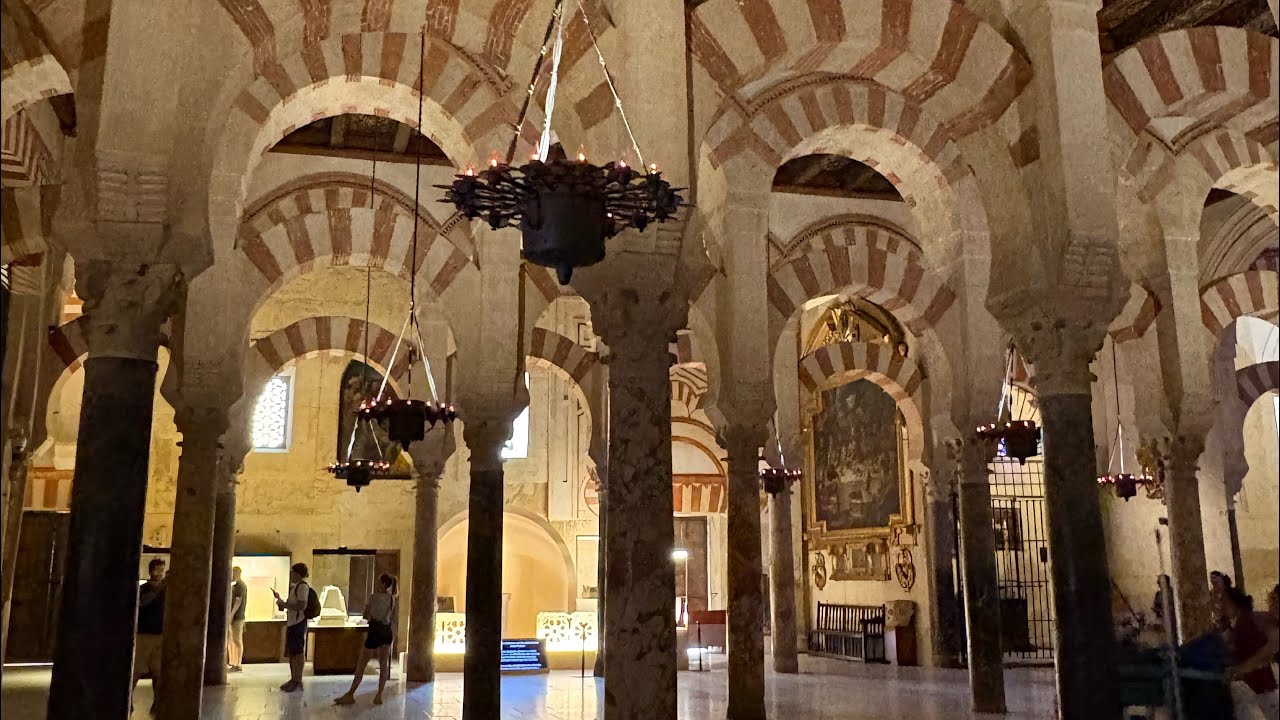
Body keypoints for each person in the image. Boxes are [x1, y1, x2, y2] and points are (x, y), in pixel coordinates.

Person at [335, 573, 398, 706]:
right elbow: (392, 618)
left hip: (375, 631)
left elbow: (366, 615)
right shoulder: (392, 599)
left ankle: (351, 693)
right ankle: (379, 695)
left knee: (362, 664)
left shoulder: (373, 597)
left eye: (378, 581)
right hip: (386, 632)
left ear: (382, 583)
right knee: (383, 665)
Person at [1222, 587, 1279, 720]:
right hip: (1262, 689)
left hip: (1265, 689)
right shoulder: (1257, 618)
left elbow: (1265, 654)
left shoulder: (1261, 622)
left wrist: (1239, 670)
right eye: (1274, 600)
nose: (1274, 605)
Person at [133, 558, 167, 712]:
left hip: (161, 634)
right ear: (151, 571)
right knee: (137, 669)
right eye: (158, 570)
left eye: (162, 570)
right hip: (143, 634)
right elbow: (140, 604)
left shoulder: (167, 590)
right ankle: (127, 700)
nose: (160, 573)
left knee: (158, 672)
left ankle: (158, 703)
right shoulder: (143, 589)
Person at [273, 563, 311, 692]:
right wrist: (282, 602)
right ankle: (293, 678)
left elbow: (301, 606)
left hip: (298, 623)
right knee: (292, 652)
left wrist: (285, 605)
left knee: (298, 652)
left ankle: (297, 679)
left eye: (293, 572)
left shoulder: (302, 587)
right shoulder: (295, 587)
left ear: (298, 573)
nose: (291, 575)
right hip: (293, 622)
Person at [227, 566, 247, 672]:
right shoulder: (236, 586)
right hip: (235, 616)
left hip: (238, 617)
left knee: (237, 639)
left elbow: (238, 602)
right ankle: (234, 662)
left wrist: (231, 615)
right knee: (233, 639)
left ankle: (238, 663)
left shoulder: (240, 586)